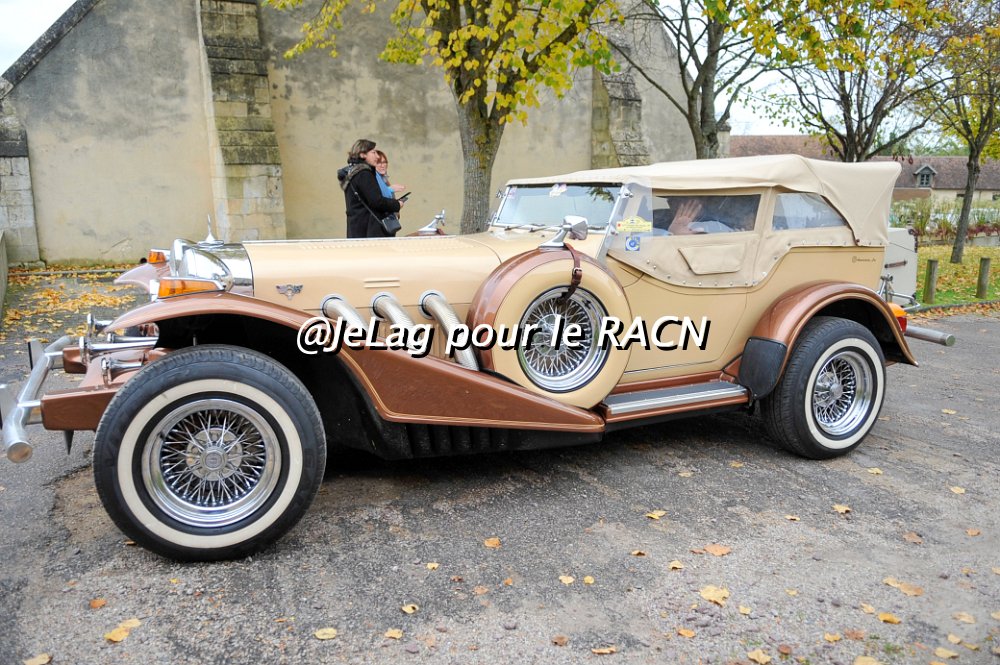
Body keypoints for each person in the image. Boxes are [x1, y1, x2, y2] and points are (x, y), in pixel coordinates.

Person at [337, 139, 403, 238]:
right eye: (373, 152)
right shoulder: (364, 174)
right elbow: (376, 201)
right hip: (369, 230)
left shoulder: (352, 173)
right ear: (362, 154)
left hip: (357, 229)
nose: (377, 156)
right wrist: (397, 204)